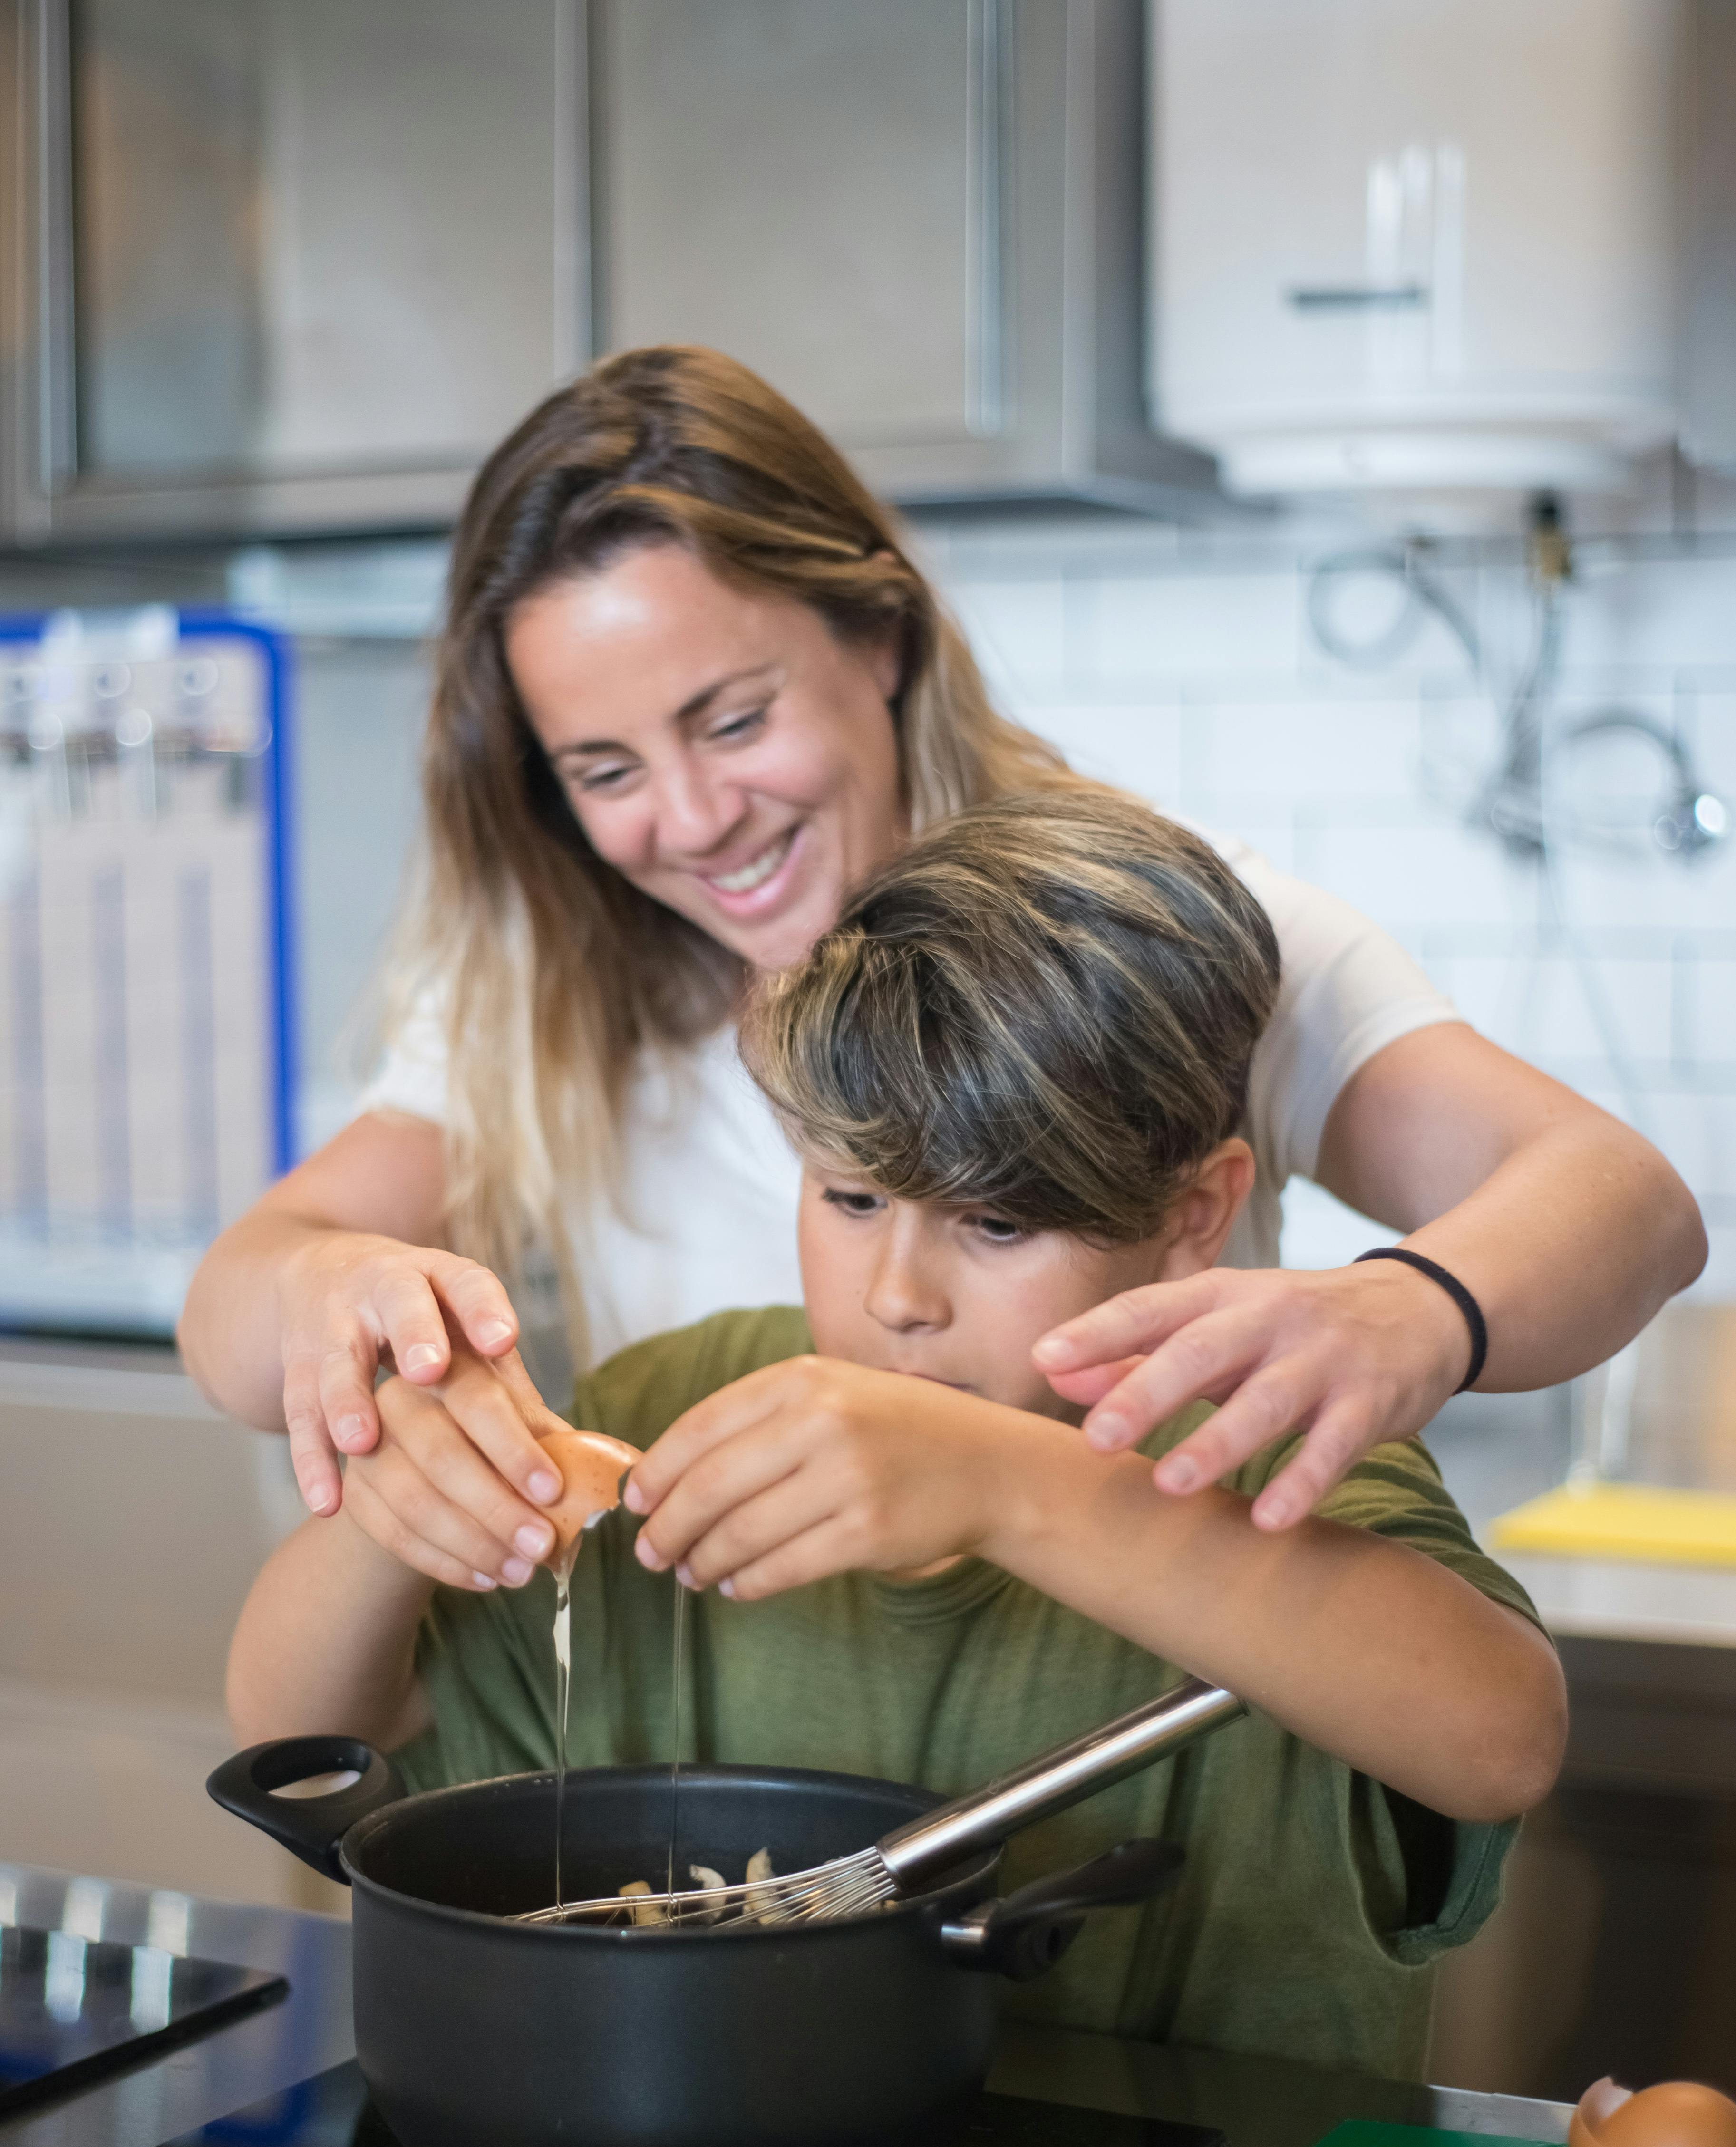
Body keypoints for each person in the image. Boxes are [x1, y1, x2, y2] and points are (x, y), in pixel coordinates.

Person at [178, 344, 1704, 1589]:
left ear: (882, 638)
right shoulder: (547, 996)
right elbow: (243, 1310)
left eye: (729, 718)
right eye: (603, 768)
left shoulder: (1166, 939)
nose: (697, 821)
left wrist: (1410, 1311)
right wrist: (334, 1290)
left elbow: (1625, 1205)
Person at [227, 790, 1565, 2079]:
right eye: (850, 1197)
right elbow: (300, 1739)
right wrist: (393, 1504)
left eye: (996, 1224)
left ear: (1196, 1210)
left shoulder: (1262, 1441)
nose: (896, 1298)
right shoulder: (671, 1405)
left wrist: (1014, 1490)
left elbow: (1498, 1738)